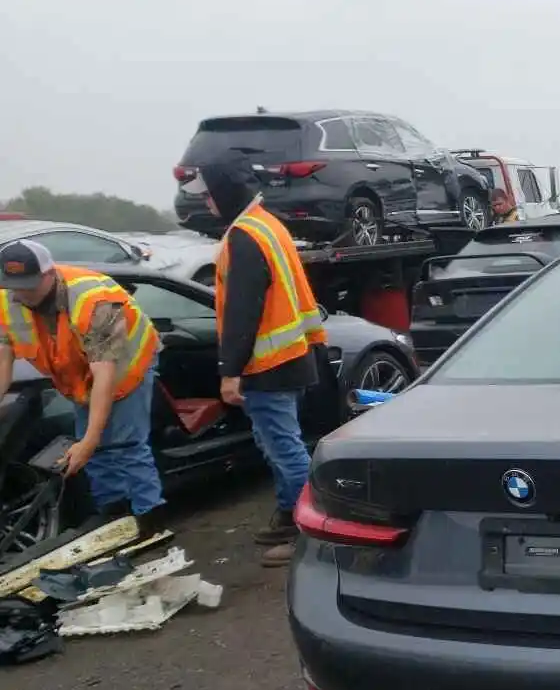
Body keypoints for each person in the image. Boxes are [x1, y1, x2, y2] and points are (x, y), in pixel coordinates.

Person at [180, 158, 327, 568]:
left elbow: (242, 311)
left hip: (268, 365)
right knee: (280, 444)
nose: (206, 203)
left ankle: (308, 533)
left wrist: (230, 371)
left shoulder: (244, 236)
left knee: (284, 449)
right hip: (289, 357)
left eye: (209, 195)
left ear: (225, 194)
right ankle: (288, 514)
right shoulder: (267, 224)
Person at [0, 238, 166, 529]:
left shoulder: (95, 300)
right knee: (94, 452)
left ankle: (148, 516)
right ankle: (114, 514)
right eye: (15, 285)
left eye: (29, 284)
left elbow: (105, 375)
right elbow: (2, 360)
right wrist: (88, 443)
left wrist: (89, 441)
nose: (22, 293)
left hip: (125, 369)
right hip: (78, 376)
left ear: (49, 274)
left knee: (124, 445)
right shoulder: (5, 299)